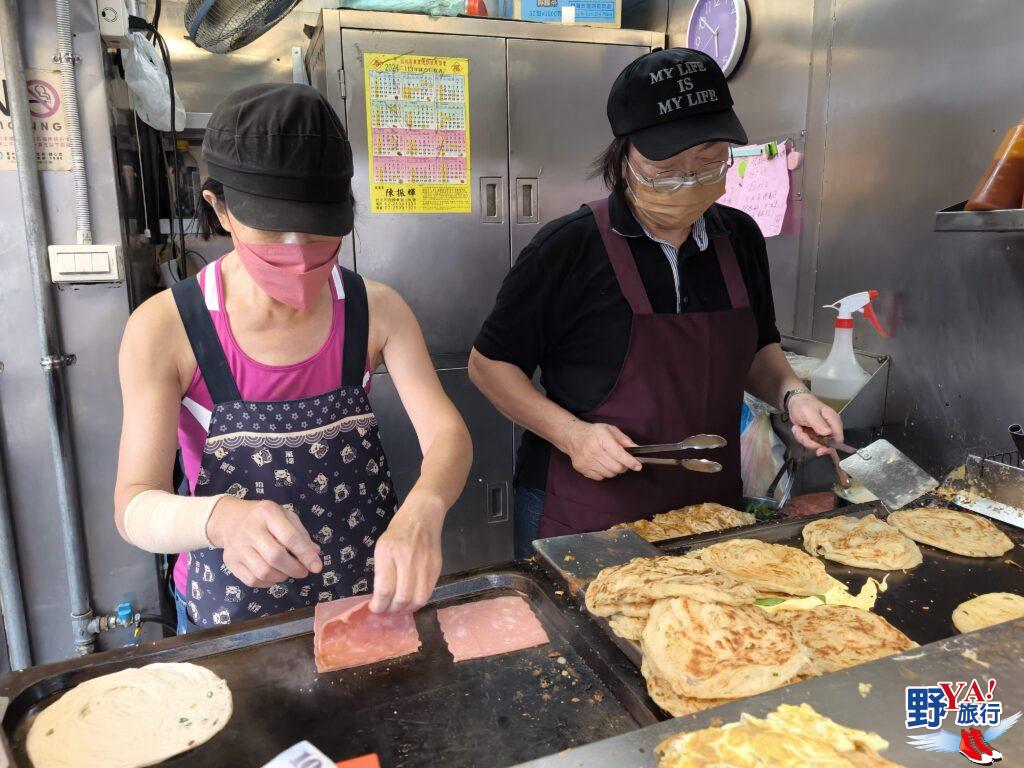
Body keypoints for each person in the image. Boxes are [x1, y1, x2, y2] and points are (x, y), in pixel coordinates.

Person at [114, 84, 472, 632]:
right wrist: (220, 519)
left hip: (366, 598)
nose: (297, 249)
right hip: (230, 614)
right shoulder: (166, 328)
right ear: (220, 207)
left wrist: (425, 507)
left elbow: (447, 435)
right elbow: (134, 505)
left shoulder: (377, 311)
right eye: (272, 228)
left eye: (317, 229)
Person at [469, 48, 842, 557]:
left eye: (708, 161)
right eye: (666, 169)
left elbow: (758, 348)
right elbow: (489, 366)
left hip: (707, 503)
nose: (688, 183)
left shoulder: (741, 237)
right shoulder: (568, 247)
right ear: (624, 159)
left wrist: (794, 397)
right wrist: (573, 435)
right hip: (587, 504)